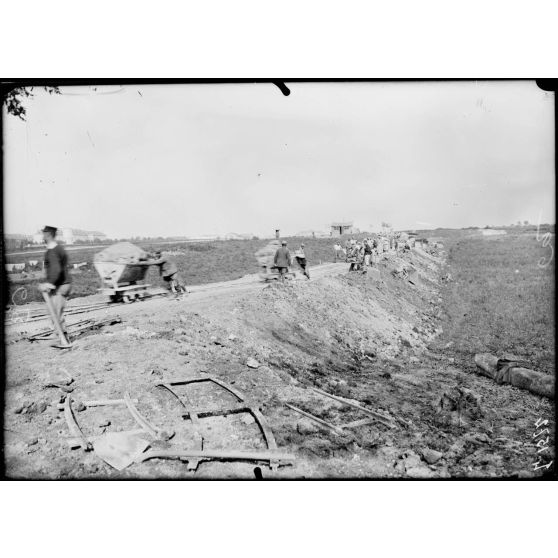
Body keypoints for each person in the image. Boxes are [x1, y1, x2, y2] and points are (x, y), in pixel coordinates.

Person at [38, 225, 72, 344]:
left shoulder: (52, 251)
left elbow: (56, 270)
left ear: (48, 235)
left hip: (60, 286)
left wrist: (49, 284)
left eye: (43, 234)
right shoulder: (58, 249)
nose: (42, 236)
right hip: (63, 284)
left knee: (55, 314)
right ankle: (62, 338)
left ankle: (64, 341)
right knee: (55, 313)